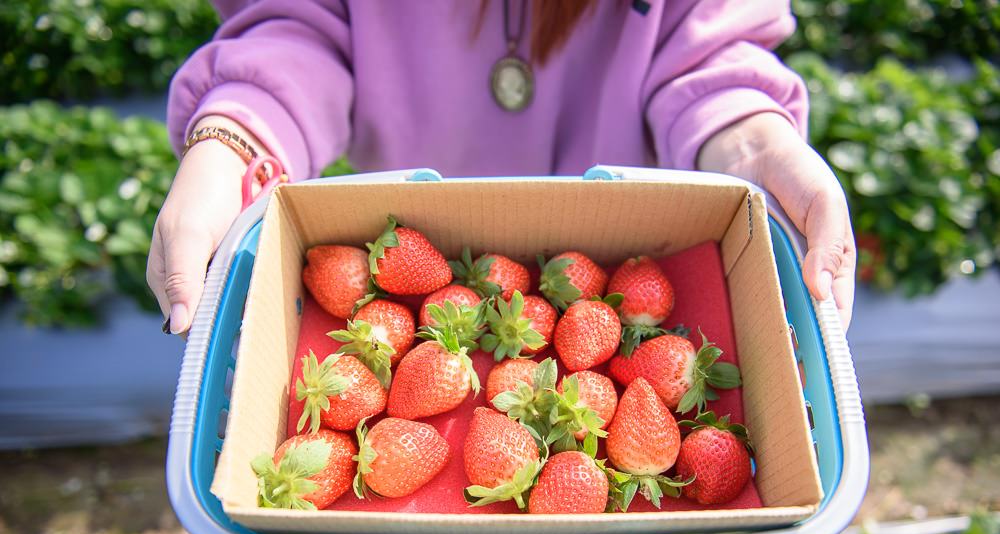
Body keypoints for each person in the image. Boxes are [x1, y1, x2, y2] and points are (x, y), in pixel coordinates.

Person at [148, 0, 855, 335]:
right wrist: (235, 142)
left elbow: (704, 51)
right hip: (414, 225)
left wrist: (755, 148)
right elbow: (301, 28)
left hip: (618, 241)